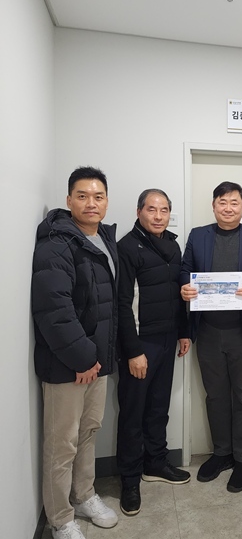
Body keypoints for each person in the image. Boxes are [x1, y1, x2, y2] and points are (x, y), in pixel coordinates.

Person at [32, 167, 118, 539]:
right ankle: (60, 519)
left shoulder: (104, 239)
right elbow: (55, 310)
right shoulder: (56, 243)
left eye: (98, 196)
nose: (91, 203)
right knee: (61, 444)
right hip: (68, 365)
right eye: (82, 196)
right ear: (69, 200)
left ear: (107, 201)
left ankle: (84, 496)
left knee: (88, 433)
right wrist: (84, 359)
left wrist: (97, 361)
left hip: (96, 363)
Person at [180, 181, 242, 493]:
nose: (228, 208)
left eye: (234, 202)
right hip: (207, 331)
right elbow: (185, 271)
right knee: (216, 396)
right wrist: (185, 287)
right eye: (223, 202)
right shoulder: (198, 236)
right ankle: (222, 453)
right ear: (214, 205)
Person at [116, 189, 191, 516]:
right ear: (139, 212)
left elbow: (179, 293)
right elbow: (122, 304)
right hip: (140, 343)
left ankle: (156, 463)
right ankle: (130, 479)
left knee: (159, 406)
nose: (158, 216)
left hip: (168, 338)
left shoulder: (173, 245)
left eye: (164, 210)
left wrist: (184, 332)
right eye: (151, 209)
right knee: (133, 412)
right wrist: (133, 350)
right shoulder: (127, 248)